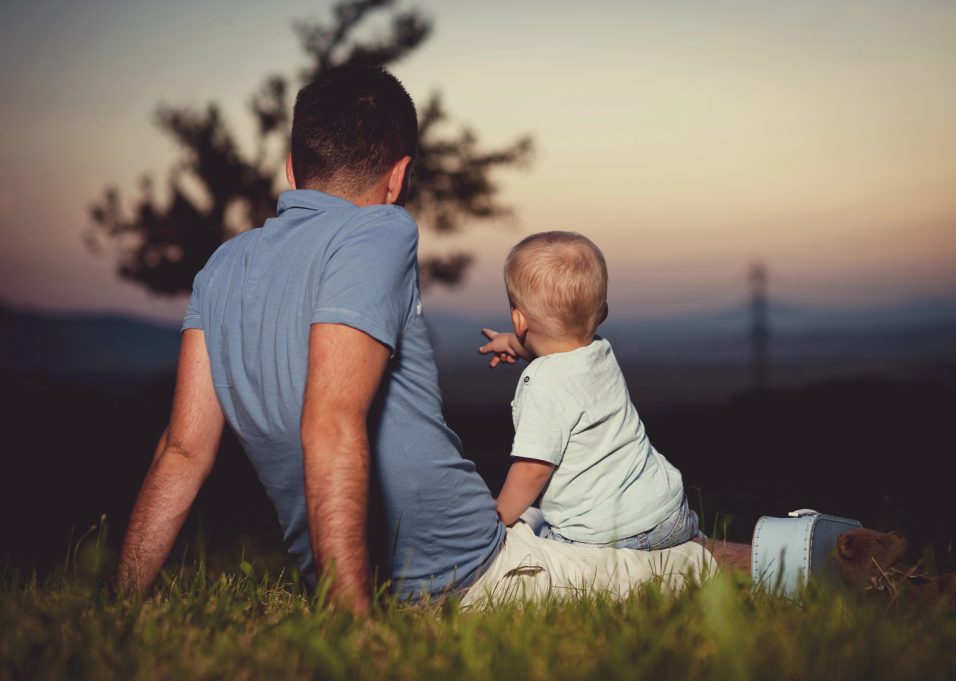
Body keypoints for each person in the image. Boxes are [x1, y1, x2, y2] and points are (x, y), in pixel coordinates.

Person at [115, 64, 734, 615]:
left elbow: (182, 451)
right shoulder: (379, 229)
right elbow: (330, 420)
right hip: (471, 574)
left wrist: (121, 605)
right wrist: (350, 632)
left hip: (395, 573)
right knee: (693, 561)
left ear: (291, 169)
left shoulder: (222, 267)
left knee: (576, 524)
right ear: (398, 176)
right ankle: (814, 548)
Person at [479, 231, 700, 551]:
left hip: (607, 534)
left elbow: (532, 470)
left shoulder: (543, 384)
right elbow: (559, 350)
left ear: (518, 319)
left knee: (531, 537)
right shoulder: (599, 350)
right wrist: (511, 342)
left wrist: (498, 517)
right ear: (603, 313)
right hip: (667, 513)